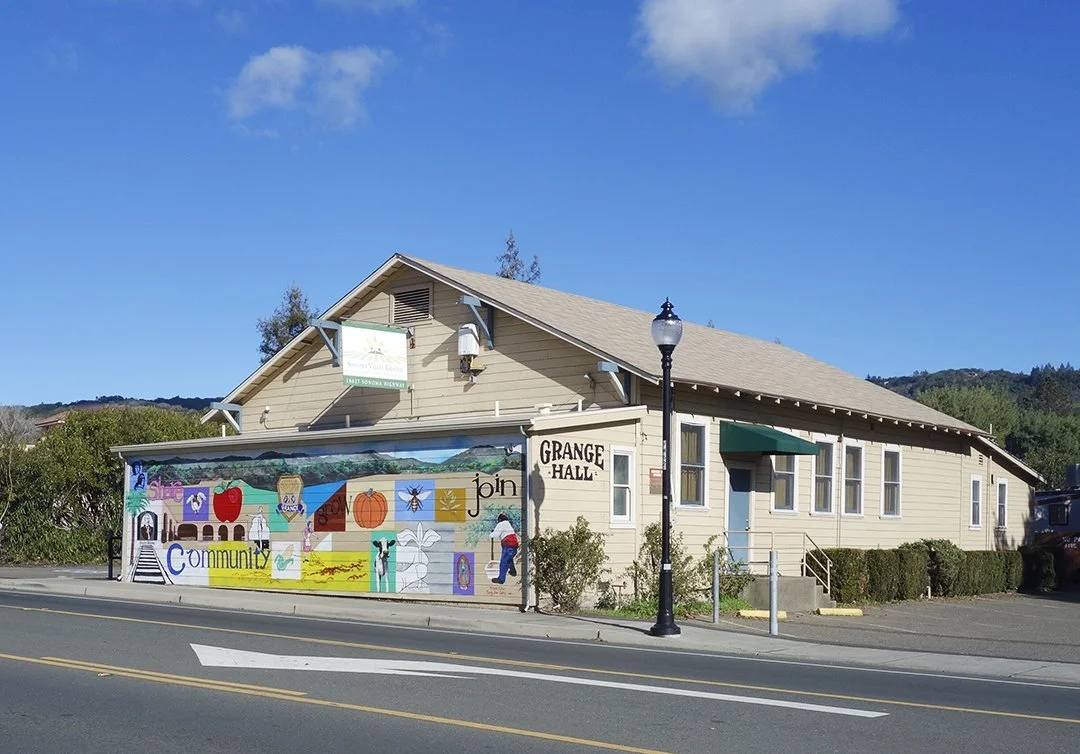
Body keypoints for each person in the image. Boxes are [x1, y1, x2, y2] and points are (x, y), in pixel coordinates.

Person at [489, 513, 519, 584]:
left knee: (504, 562)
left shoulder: (501, 524)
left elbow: (495, 534)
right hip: (513, 546)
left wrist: (491, 533)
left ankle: (501, 579)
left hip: (508, 545)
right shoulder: (508, 524)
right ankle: (512, 571)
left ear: (499, 520)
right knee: (509, 559)